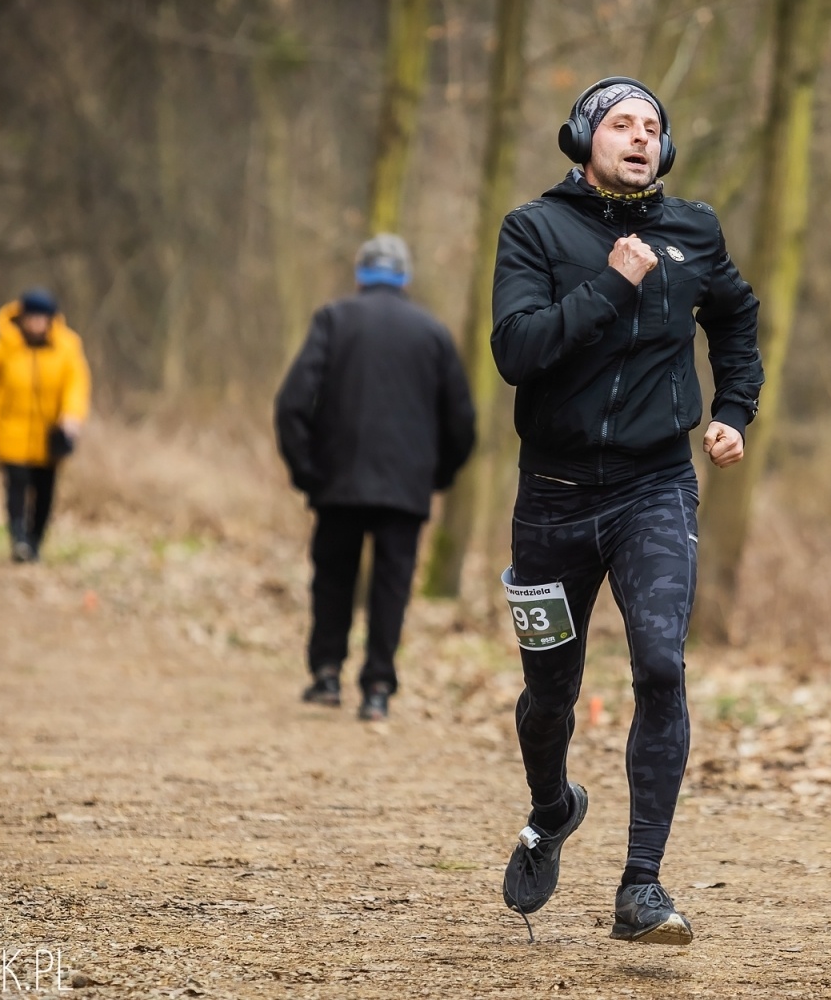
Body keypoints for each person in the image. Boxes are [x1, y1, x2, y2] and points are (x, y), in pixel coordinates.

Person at [490, 77, 763, 944]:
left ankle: (641, 886)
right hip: (554, 497)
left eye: (653, 126)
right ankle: (552, 806)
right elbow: (516, 350)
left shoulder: (695, 230)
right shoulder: (533, 230)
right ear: (583, 138)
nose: (640, 137)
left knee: (660, 667)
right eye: (621, 123)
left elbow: (738, 319)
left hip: (656, 487)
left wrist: (733, 409)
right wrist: (611, 285)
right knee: (549, 694)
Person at [274, 234, 476, 721]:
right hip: (405, 488)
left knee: (333, 577)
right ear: (405, 277)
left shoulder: (333, 319)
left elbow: (292, 404)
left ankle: (325, 674)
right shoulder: (433, 333)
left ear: (361, 275)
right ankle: (379, 686)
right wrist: (438, 475)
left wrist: (307, 472)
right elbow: (462, 422)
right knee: (391, 585)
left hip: (336, 481)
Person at [0, 288, 92, 563]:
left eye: (41, 319)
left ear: (50, 321)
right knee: (17, 484)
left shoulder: (67, 347)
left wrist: (70, 417)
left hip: (50, 432)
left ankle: (35, 541)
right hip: (11, 428)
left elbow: (76, 385)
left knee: (45, 489)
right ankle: (18, 538)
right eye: (31, 318)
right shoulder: (3, 345)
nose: (35, 324)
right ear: (21, 319)